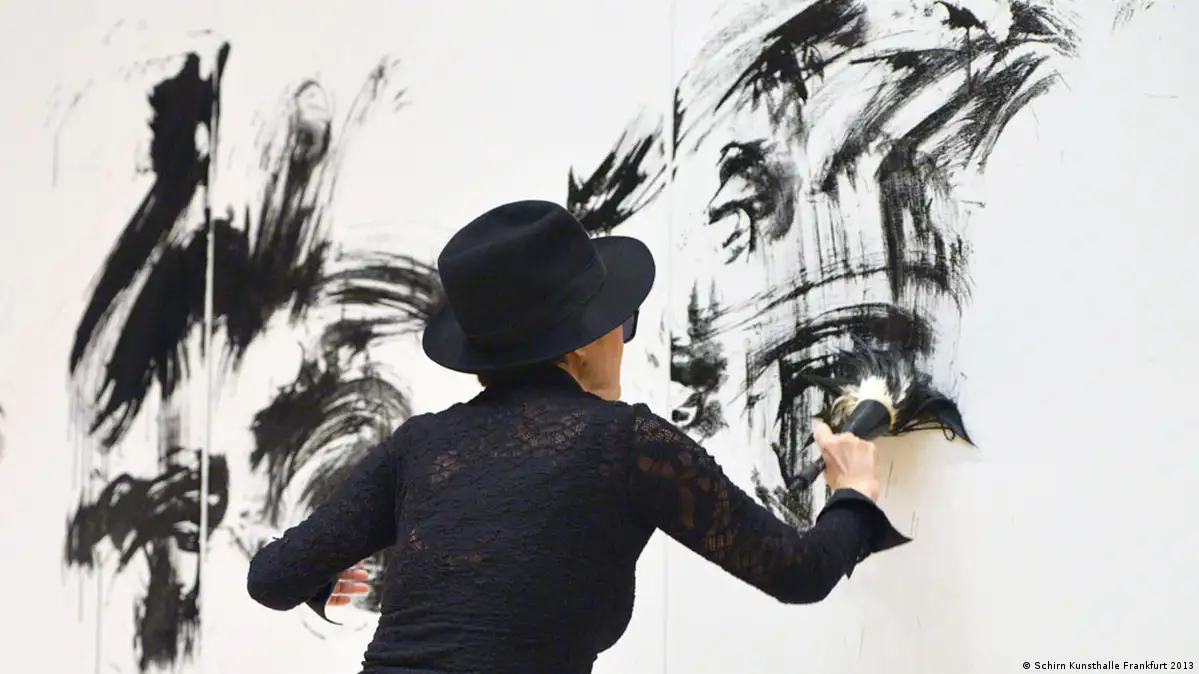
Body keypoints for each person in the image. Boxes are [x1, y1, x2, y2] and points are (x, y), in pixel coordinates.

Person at [246, 200, 909, 673]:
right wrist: (852, 495)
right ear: (586, 341)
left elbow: (272, 578)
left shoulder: (421, 446)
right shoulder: (628, 445)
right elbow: (797, 572)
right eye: (623, 321)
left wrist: (322, 575)